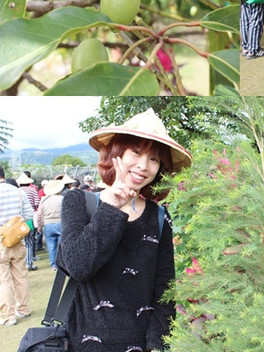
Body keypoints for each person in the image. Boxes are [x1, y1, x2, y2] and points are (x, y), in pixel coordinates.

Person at [57, 108, 192, 351]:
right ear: (117, 153)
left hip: (140, 344)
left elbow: (165, 292)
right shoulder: (79, 202)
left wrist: (156, 345)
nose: (143, 166)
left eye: (153, 159)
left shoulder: (160, 217)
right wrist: (110, 208)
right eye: (136, 152)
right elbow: (78, 266)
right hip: (84, 342)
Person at [0, 170, 35, 326]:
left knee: (3, 280)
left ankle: (8, 316)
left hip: (1, 240)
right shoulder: (18, 192)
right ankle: (23, 309)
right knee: (20, 276)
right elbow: (29, 215)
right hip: (17, 240)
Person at [36, 177, 65, 270]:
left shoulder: (43, 200)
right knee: (61, 245)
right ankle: (63, 263)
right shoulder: (62, 198)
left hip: (48, 224)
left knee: (51, 245)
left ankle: (53, 265)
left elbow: (39, 214)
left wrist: (39, 226)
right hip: (60, 223)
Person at [17, 172, 40, 272]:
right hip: (30, 219)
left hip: (18, 221)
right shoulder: (33, 190)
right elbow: (36, 203)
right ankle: (29, 263)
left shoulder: (17, 191)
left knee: (21, 243)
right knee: (29, 242)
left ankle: (21, 264)